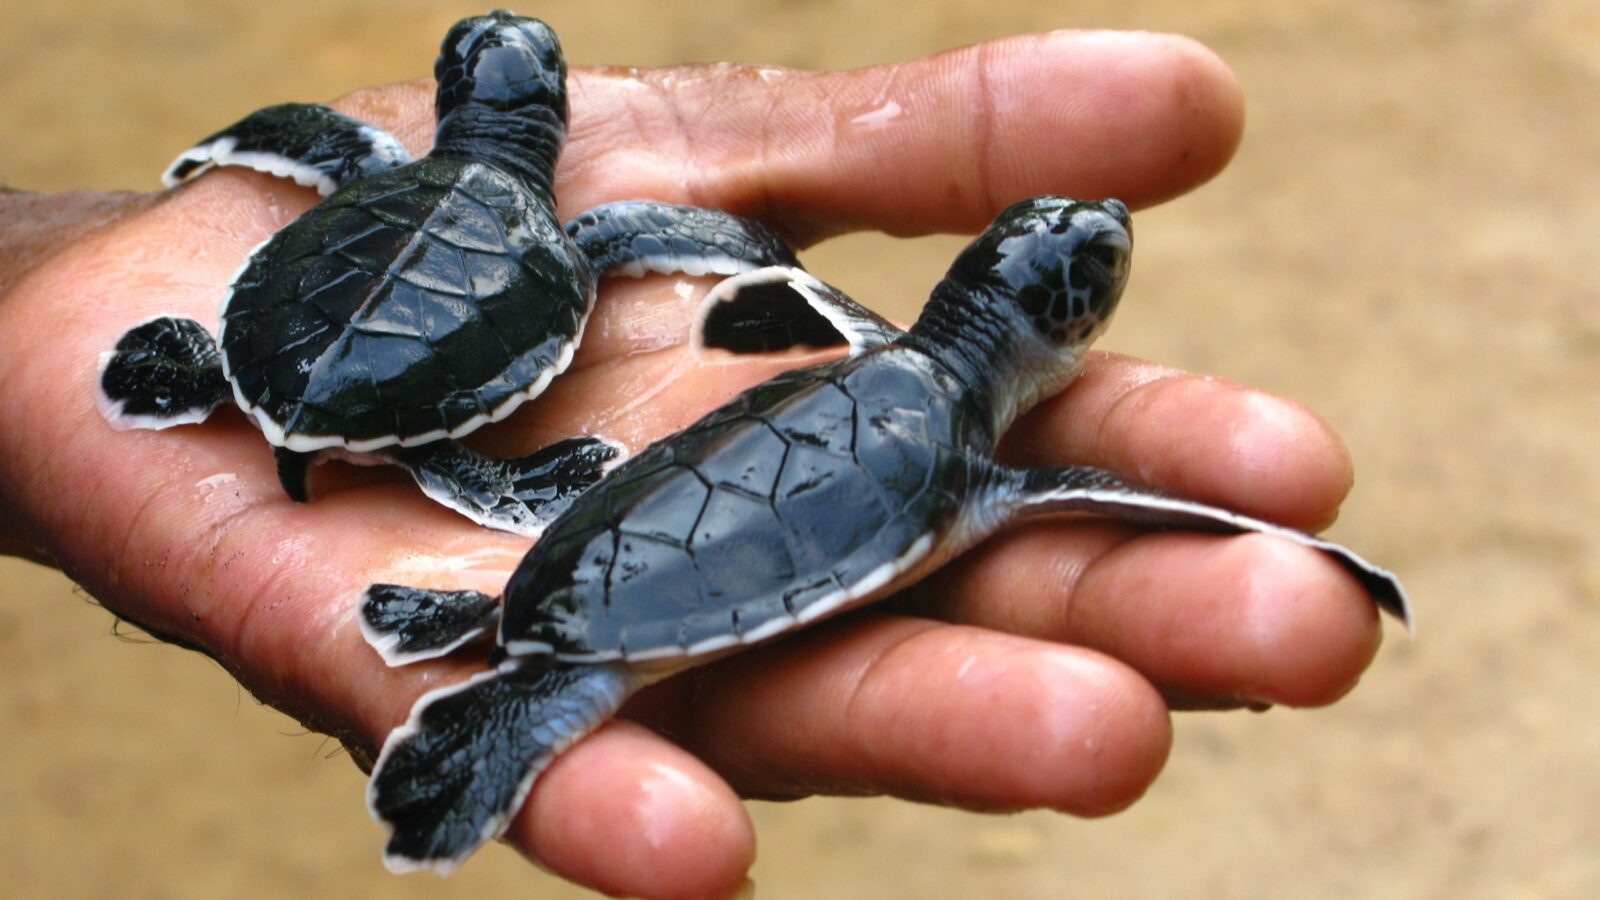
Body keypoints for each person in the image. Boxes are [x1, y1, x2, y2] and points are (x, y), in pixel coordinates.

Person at [0, 30, 1388, 900]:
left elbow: (701, 421)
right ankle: (509, 686)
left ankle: (493, 627)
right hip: (616, 577)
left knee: (646, 549)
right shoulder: (971, 458)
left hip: (568, 548)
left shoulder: (870, 375)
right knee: (584, 669)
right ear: (1064, 330)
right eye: (1090, 264)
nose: (1097, 241)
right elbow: (1090, 492)